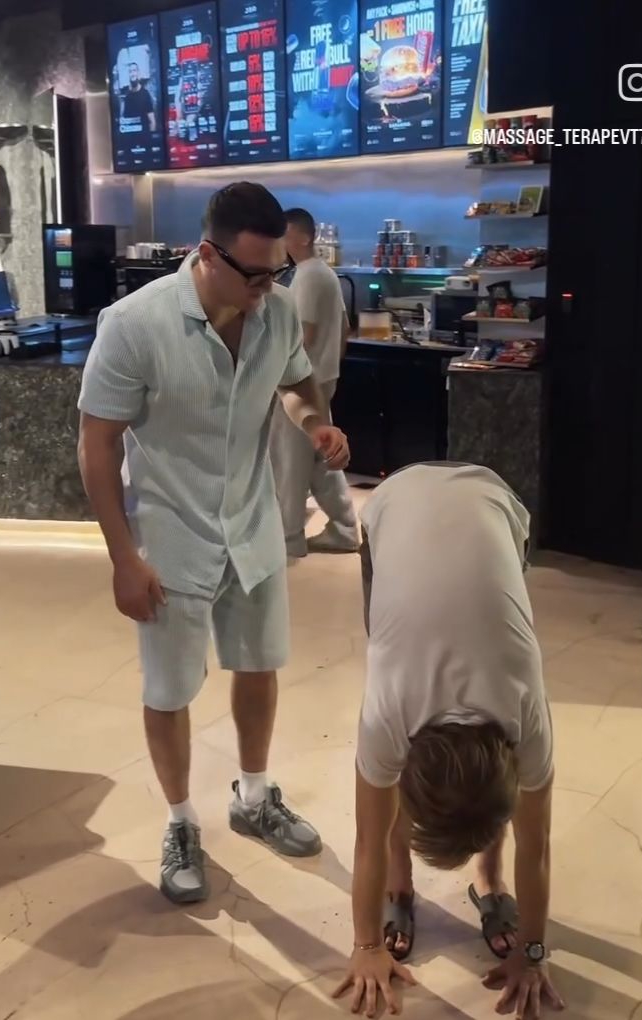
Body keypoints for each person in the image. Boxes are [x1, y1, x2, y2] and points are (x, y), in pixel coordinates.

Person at [77, 183, 350, 905]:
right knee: (169, 689)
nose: (267, 288)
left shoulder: (276, 312)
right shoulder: (135, 325)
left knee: (259, 665)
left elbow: (296, 385)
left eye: (276, 272)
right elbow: (97, 444)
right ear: (207, 254)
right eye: (254, 274)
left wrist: (313, 423)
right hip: (170, 534)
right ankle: (179, 821)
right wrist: (123, 558)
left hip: (252, 523)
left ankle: (254, 797)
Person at [334, 464, 565, 1019]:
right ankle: (400, 883)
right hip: (392, 502)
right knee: (387, 788)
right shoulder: (390, 709)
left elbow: (535, 845)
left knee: (477, 805)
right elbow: (368, 837)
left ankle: (489, 878)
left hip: (494, 503)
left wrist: (533, 953)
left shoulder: (524, 713)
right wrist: (365, 946)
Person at [269, 207, 358, 558]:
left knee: (289, 460)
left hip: (302, 382)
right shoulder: (325, 273)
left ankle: (288, 538)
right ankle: (345, 527)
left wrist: (278, 372)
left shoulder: (307, 276)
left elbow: (302, 335)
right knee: (322, 456)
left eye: (284, 233)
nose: (279, 240)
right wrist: (330, 366)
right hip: (321, 378)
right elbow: (344, 328)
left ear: (304, 237)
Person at [122, 62, 156, 134]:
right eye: (130, 71)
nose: (132, 74)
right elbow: (125, 122)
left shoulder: (145, 94)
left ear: (138, 73)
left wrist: (151, 138)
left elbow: (152, 121)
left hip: (145, 137)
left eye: (134, 70)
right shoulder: (127, 97)